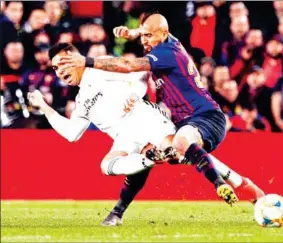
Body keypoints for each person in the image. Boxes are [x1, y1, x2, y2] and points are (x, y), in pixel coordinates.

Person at [58, 13, 242, 205]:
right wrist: (134, 32)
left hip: (203, 115)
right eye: (143, 36)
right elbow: (154, 33)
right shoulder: (168, 41)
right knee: (174, 152)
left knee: (180, 144)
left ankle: (220, 183)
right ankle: (246, 186)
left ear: (163, 34)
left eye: (148, 36)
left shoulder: (165, 53)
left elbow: (129, 65)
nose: (144, 41)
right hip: (188, 118)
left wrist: (86, 61)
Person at [27, 42, 176, 182]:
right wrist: (43, 106)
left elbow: (141, 72)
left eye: (62, 64)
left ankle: (177, 152)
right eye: (55, 68)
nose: (60, 71)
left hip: (144, 119)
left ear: (75, 58)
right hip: (125, 137)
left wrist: (134, 94)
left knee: (178, 153)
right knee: (107, 165)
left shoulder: (100, 66)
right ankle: (150, 158)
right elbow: (71, 134)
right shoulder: (81, 100)